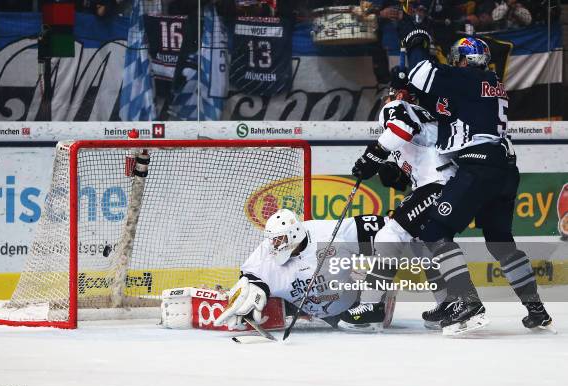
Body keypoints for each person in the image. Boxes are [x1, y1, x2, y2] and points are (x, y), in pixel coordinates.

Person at [392, 36, 553, 334]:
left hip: (478, 165)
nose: (455, 63)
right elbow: (451, 111)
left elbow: (422, 72)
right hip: (505, 168)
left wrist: (416, 42)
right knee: (500, 242)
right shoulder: (491, 82)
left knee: (435, 231)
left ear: (465, 59)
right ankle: (536, 308)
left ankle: (467, 302)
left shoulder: (464, 77)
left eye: (458, 58)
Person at [351, 68, 456, 329]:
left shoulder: (397, 107)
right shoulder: (429, 114)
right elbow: (419, 158)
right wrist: (394, 174)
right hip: (449, 183)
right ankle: (449, 305)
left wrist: (372, 156)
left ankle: (371, 306)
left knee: (390, 234)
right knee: (425, 244)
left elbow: (401, 128)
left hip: (438, 184)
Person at [214, 209, 394, 332]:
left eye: (279, 239)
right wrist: (253, 287)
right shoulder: (267, 252)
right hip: (312, 310)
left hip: (348, 303)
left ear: (294, 233)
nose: (275, 245)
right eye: (273, 240)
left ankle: (376, 298)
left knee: (362, 322)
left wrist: (397, 220)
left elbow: (386, 229)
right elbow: (250, 275)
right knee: (262, 301)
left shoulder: (328, 233)